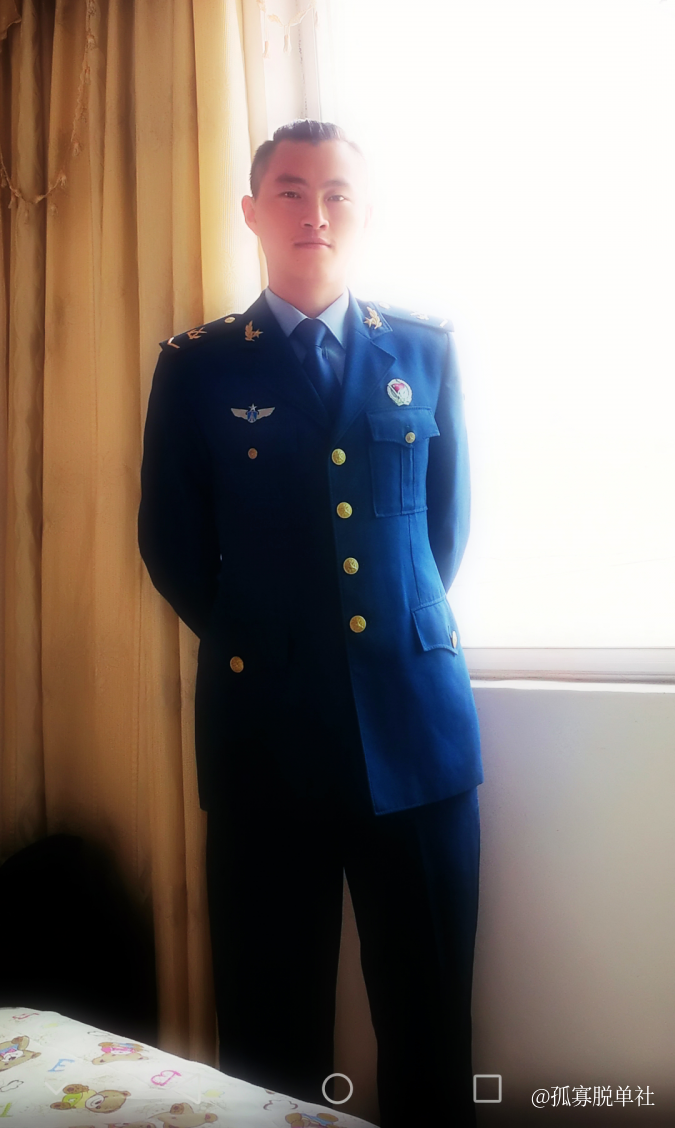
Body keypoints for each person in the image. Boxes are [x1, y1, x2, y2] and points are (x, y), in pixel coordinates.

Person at [138, 120, 484, 1127]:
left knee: (431, 1027)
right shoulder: (198, 366)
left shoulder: (424, 349)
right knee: (268, 1039)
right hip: (265, 742)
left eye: (336, 193)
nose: (315, 213)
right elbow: (171, 545)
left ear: (363, 214)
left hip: (415, 740)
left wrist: (375, 643)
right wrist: (270, 640)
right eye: (290, 191)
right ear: (252, 212)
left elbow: (442, 534)